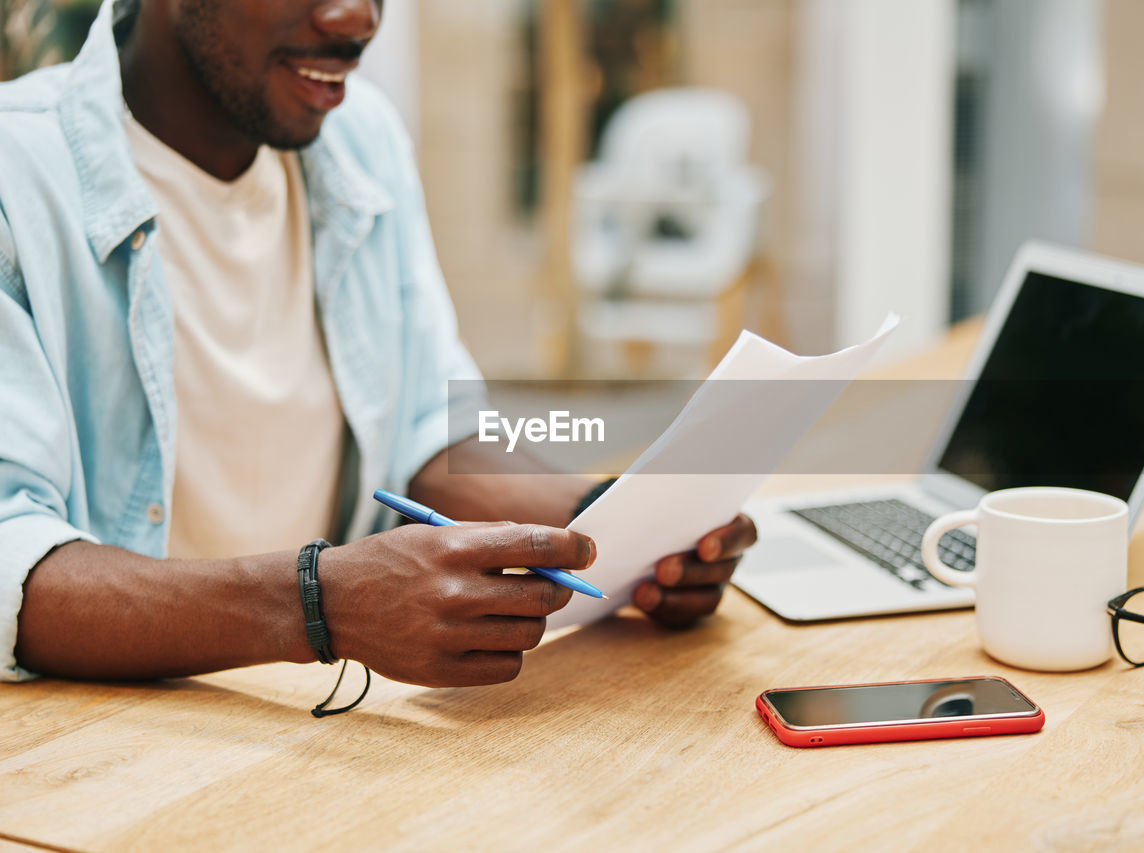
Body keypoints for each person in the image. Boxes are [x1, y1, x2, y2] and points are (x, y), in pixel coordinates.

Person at [0, 0, 756, 693]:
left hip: (330, 717)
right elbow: (11, 559)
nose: (357, 18)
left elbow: (428, 429)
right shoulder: (18, 179)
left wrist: (614, 527)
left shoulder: (361, 138)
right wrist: (320, 603)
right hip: (113, 749)